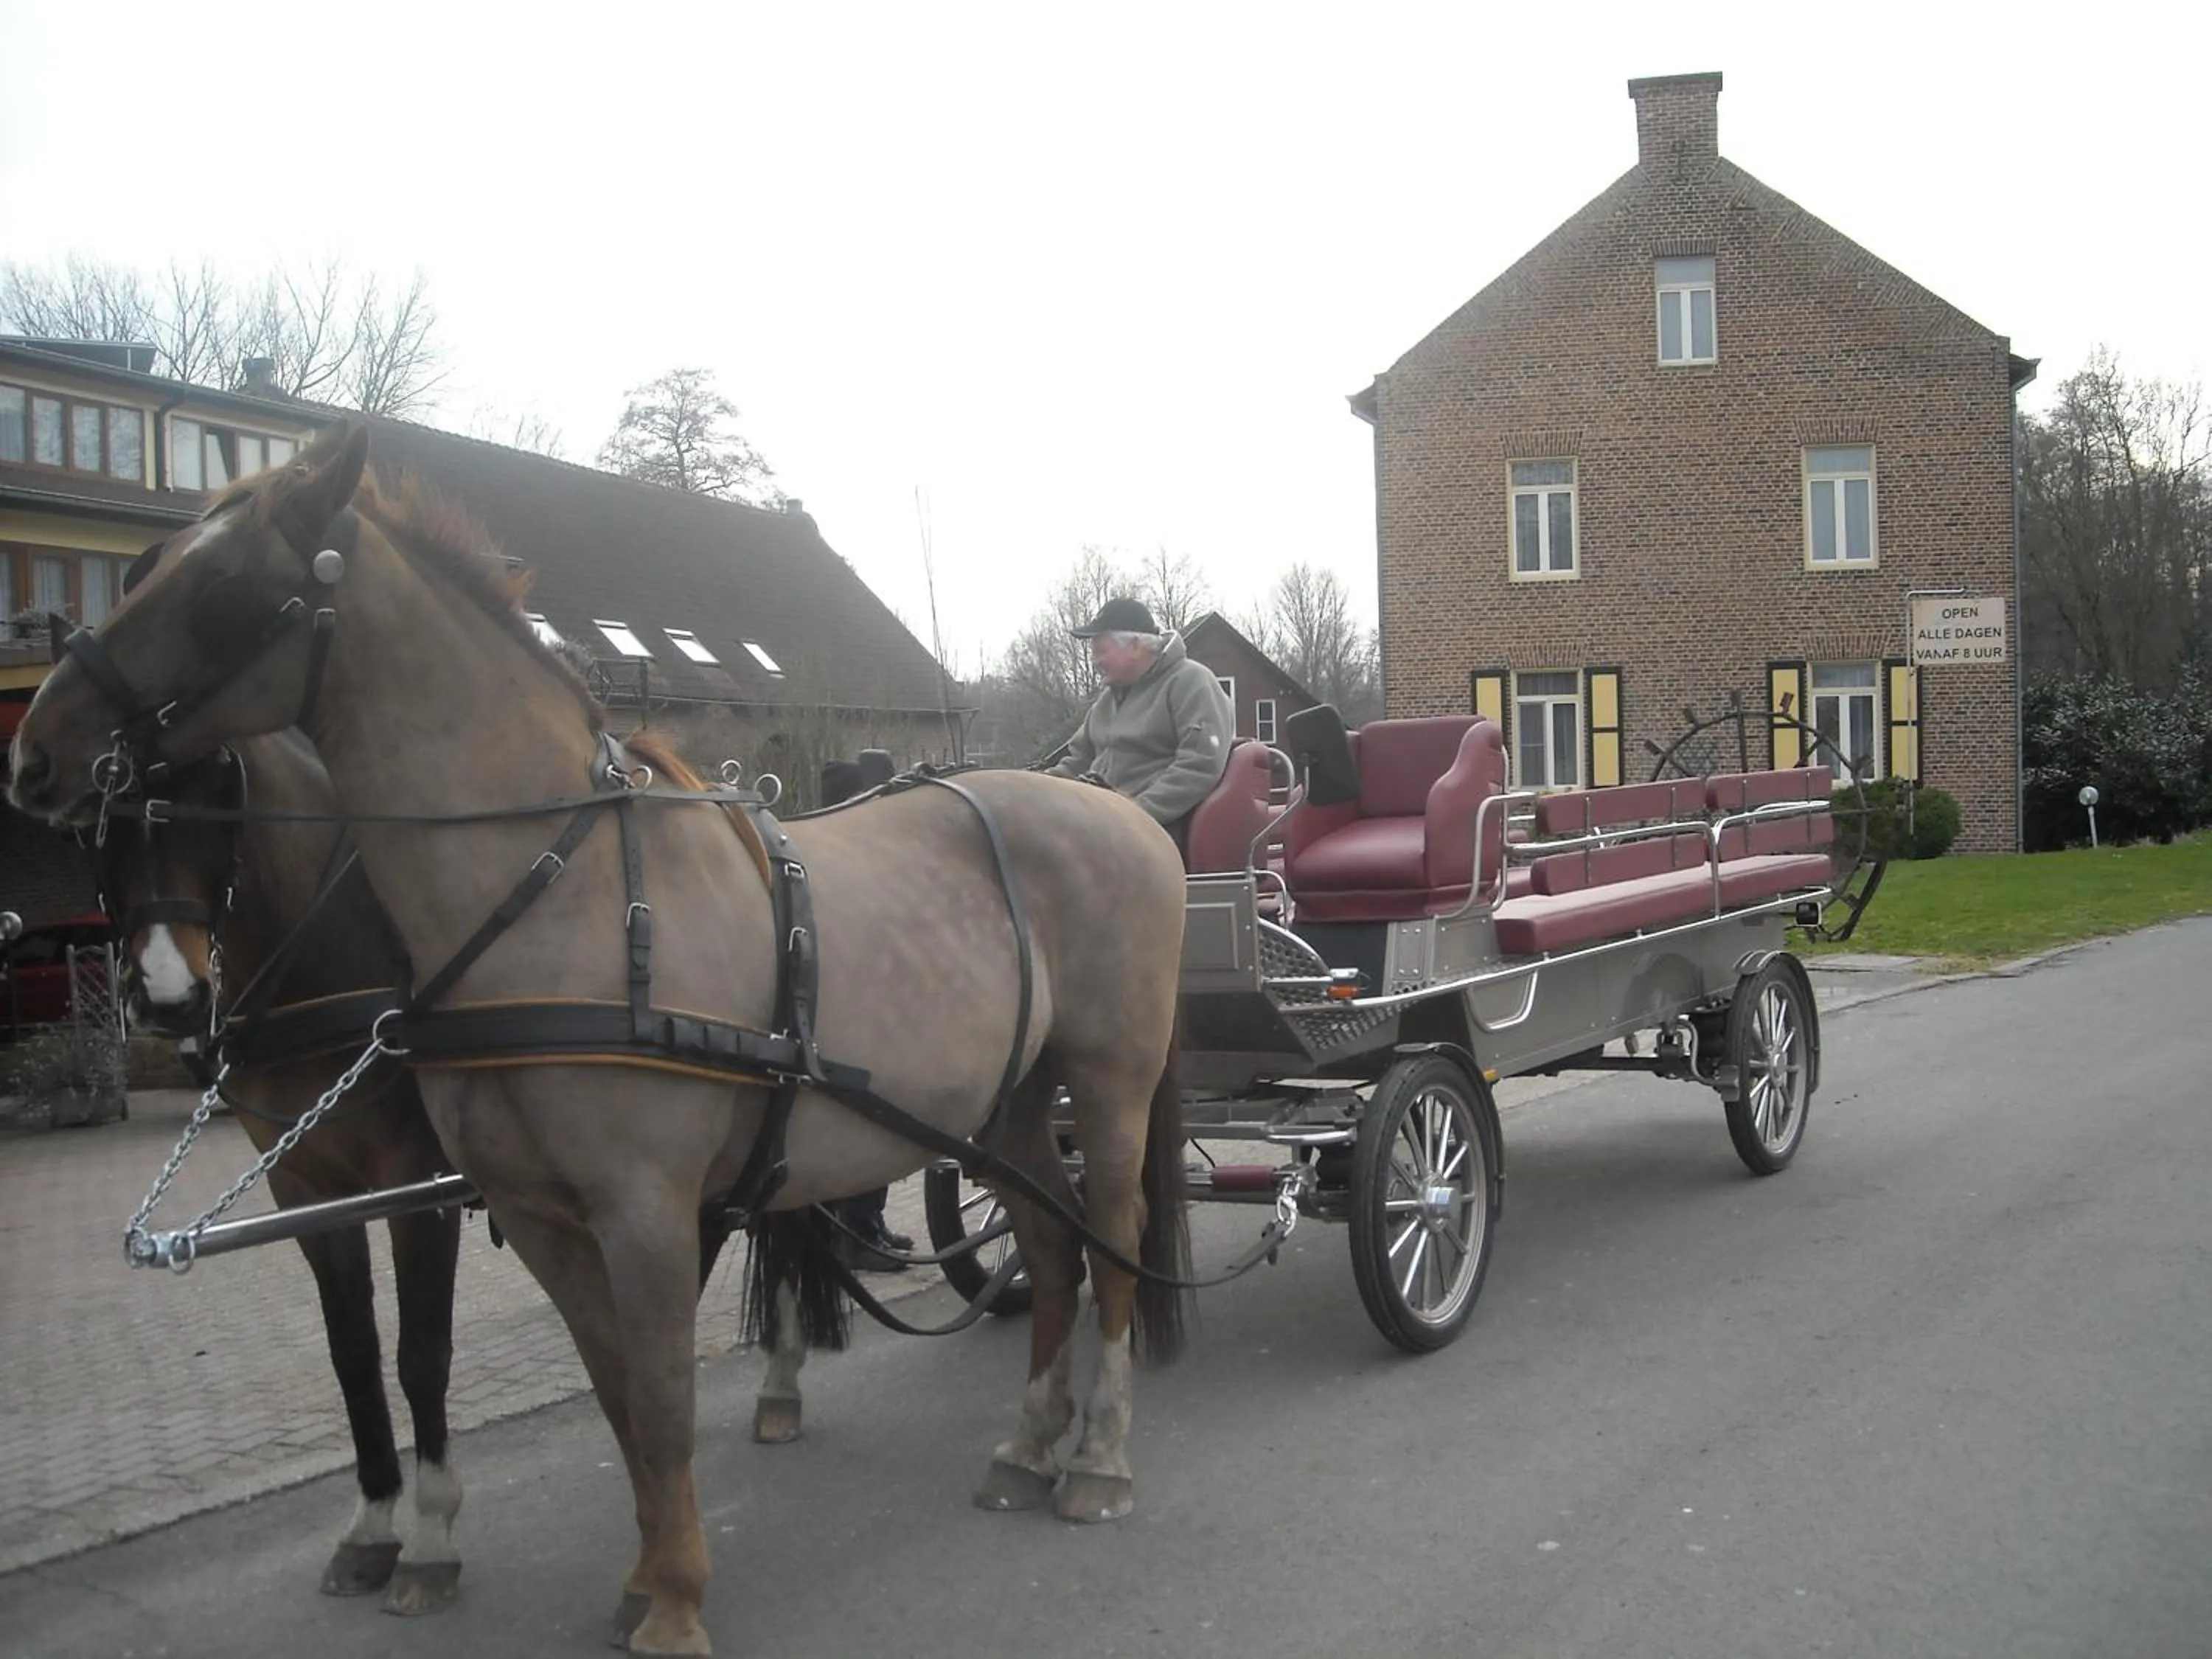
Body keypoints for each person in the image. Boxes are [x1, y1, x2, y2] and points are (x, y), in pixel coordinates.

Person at [818, 751, 918, 1273]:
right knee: (870, 1116)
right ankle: (856, 1231)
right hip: (854, 1021)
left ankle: (868, 1224)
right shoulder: (851, 859)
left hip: (861, 1014)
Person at [1046, 597, 1236, 860]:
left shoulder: (1191, 682)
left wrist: (1134, 814)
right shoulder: (1108, 701)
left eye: (1101, 650)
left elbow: (1199, 765)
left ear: (1135, 645)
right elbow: (1077, 762)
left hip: (1157, 833)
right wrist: (1027, 789)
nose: (1095, 661)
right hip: (1101, 820)